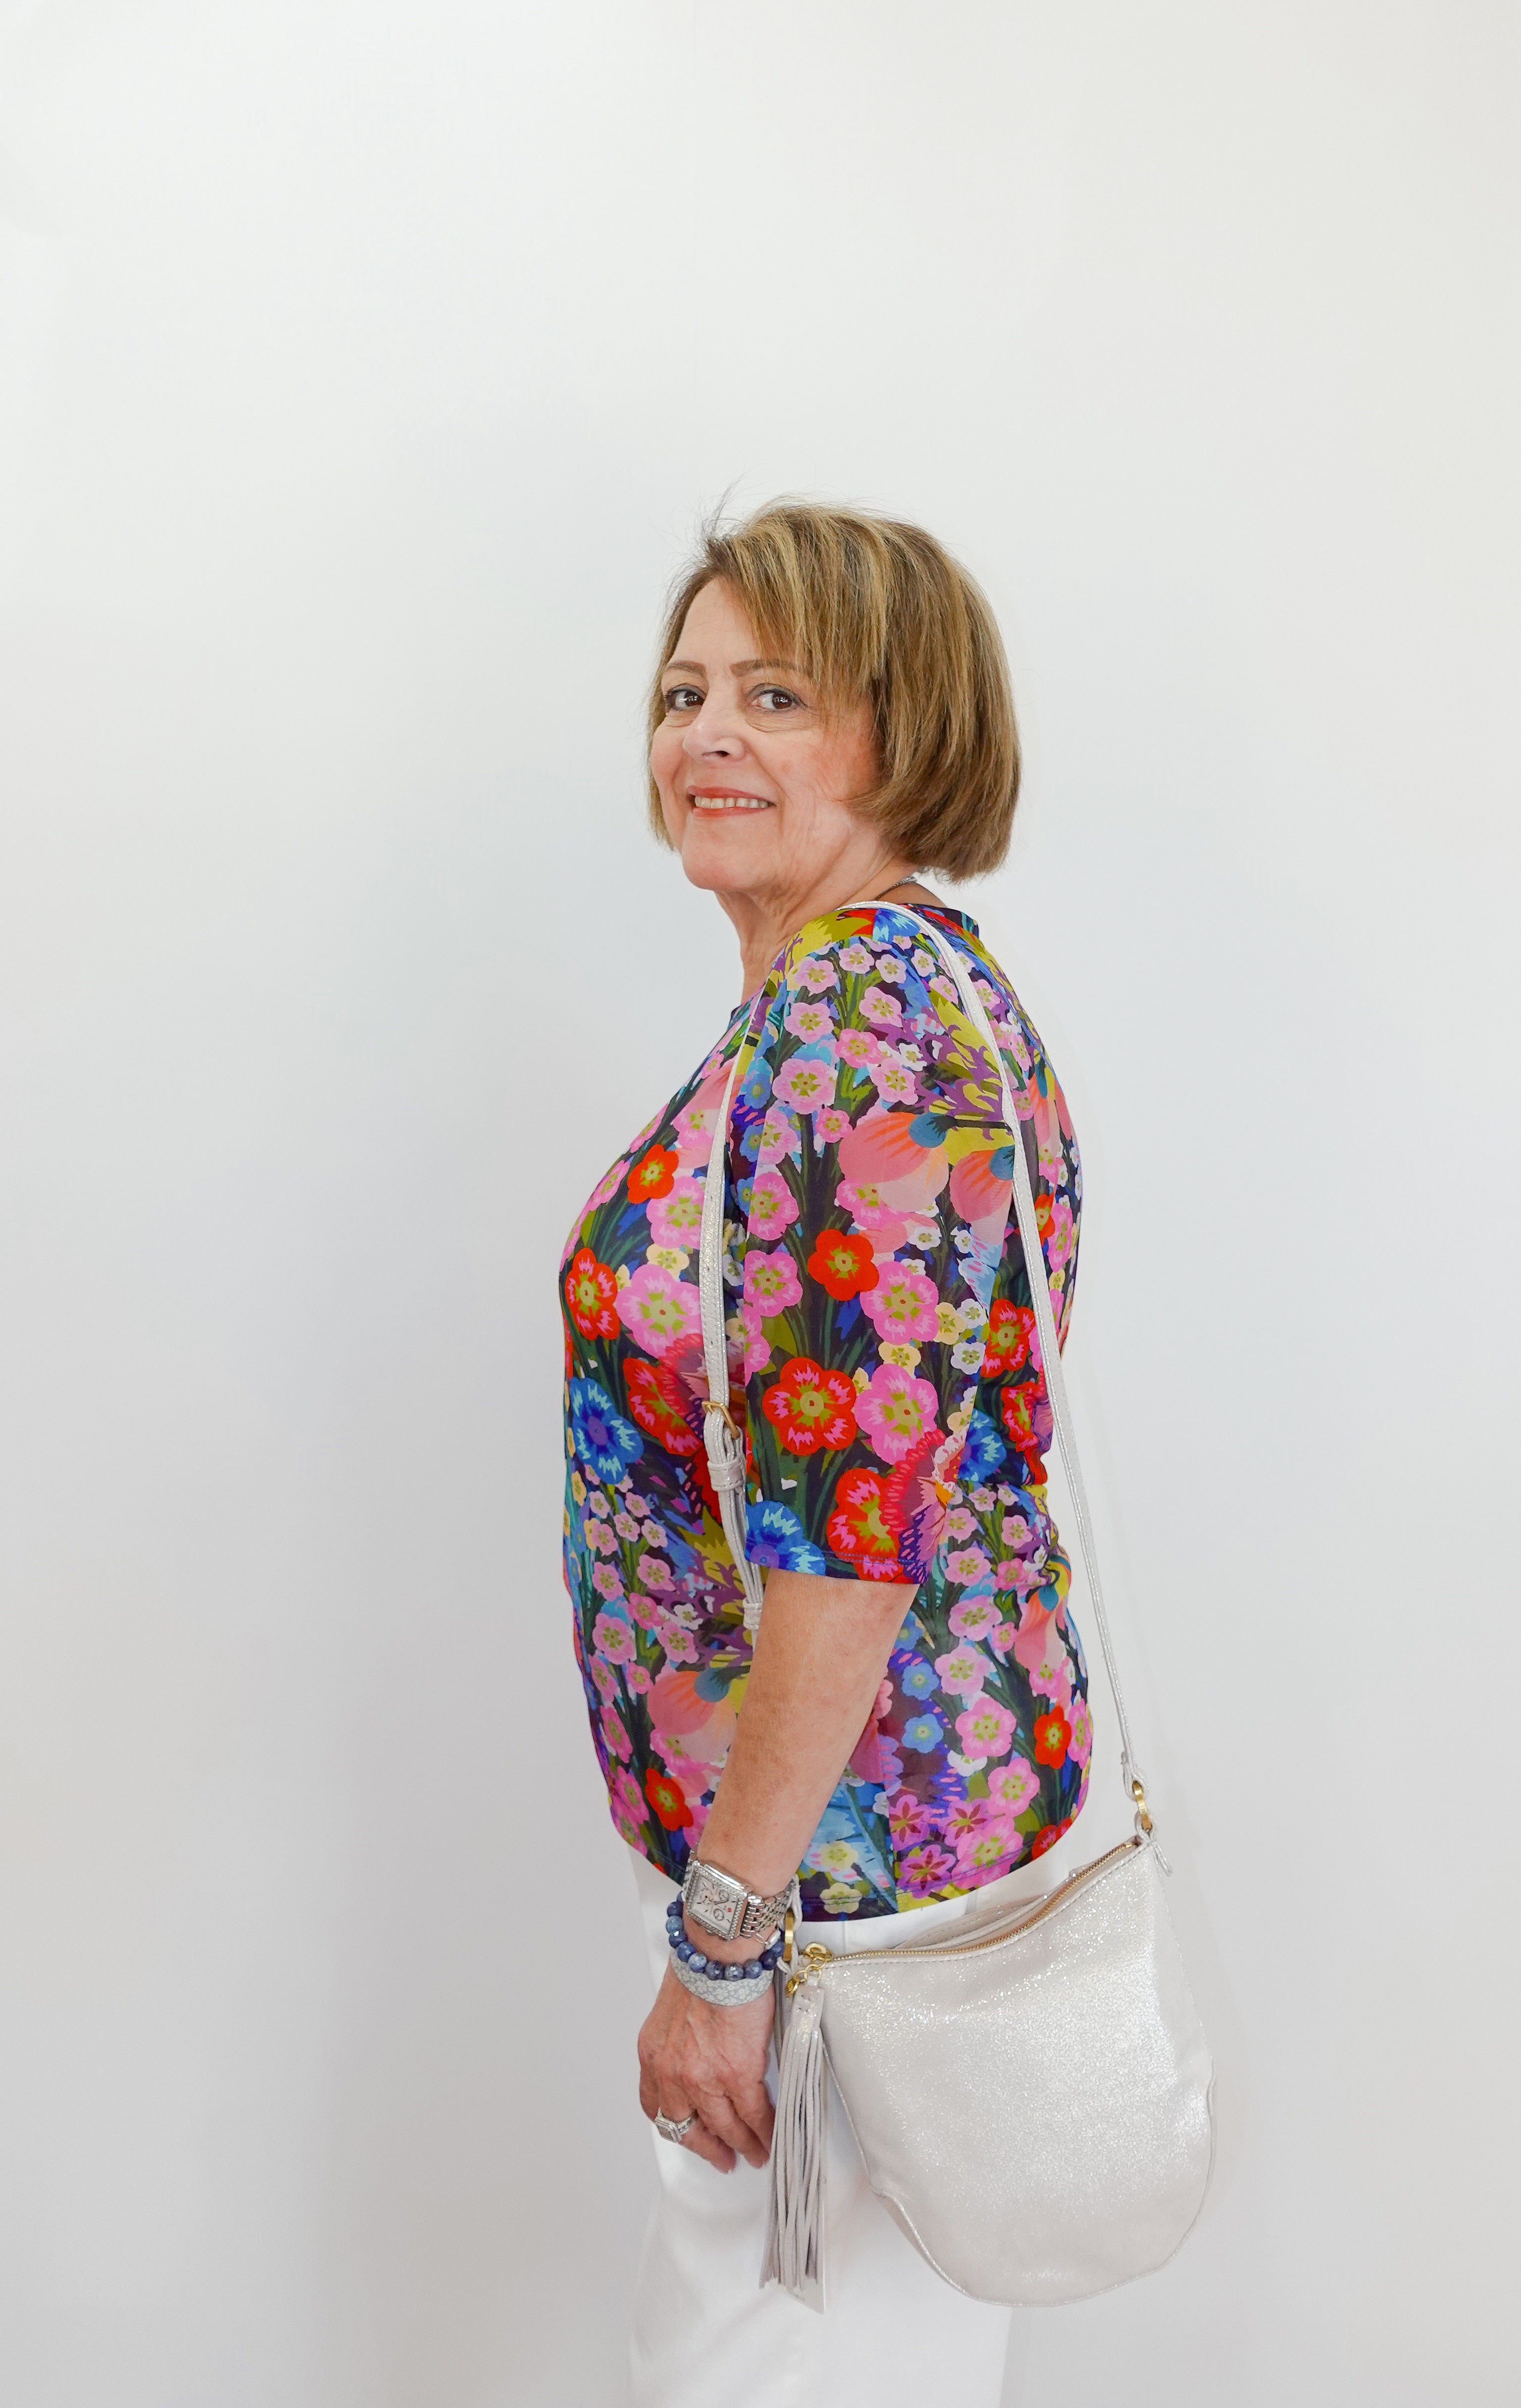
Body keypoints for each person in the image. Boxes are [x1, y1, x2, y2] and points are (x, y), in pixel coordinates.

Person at [559, 502, 1093, 2403]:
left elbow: (850, 1539)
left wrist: (724, 1943)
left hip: (836, 1905)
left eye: (777, 694)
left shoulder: (858, 1033)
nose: (707, 733)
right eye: (686, 690)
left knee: (776, 2372)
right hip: (851, 1870)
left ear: (909, 731)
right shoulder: (872, 999)